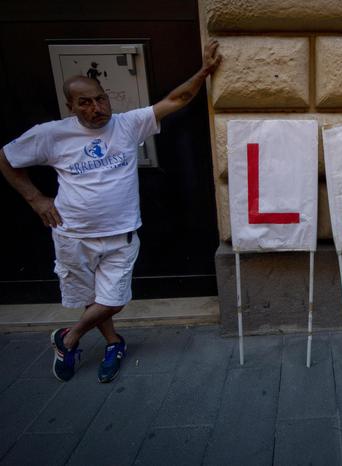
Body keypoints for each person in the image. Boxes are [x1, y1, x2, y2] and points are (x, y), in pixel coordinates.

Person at [0, 40, 222, 383]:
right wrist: (36, 199)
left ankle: (68, 337)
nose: (96, 108)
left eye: (100, 98)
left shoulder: (127, 124)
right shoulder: (51, 135)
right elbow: (7, 158)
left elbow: (177, 100)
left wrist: (204, 71)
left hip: (120, 234)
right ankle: (114, 342)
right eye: (85, 103)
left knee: (113, 299)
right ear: (70, 105)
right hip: (72, 235)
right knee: (91, 298)